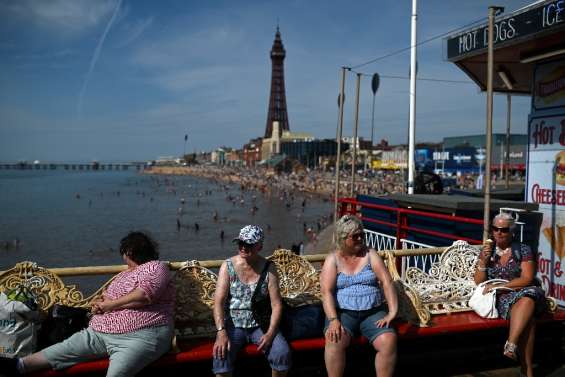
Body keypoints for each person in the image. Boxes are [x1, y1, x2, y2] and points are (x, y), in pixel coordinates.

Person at [0, 231, 175, 377]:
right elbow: (108, 298)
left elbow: (144, 295)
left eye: (124, 253)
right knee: (60, 350)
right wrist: (99, 303)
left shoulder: (155, 267)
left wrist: (110, 305)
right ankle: (18, 365)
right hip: (100, 333)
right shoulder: (124, 275)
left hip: (140, 335)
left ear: (129, 252)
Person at [320, 215, 398, 377]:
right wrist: (333, 320)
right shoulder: (333, 259)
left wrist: (392, 312)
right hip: (343, 313)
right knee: (334, 340)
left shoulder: (370, 254)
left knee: (388, 340)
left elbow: (386, 281)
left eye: (362, 234)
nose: (360, 239)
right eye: (355, 236)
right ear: (342, 239)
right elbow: (326, 292)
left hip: (373, 312)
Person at [474, 213, 547, 377]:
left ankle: (511, 344)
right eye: (495, 229)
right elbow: (479, 281)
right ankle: (526, 368)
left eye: (504, 230)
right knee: (529, 318)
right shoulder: (487, 251)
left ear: (512, 232)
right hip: (502, 298)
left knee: (528, 298)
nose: (499, 233)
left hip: (522, 289)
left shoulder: (523, 249)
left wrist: (501, 285)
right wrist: (484, 262)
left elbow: (527, 279)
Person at [212, 225, 291, 377]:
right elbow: (219, 302)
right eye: (240, 243)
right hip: (233, 324)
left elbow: (276, 304)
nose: (243, 247)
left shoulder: (269, 268)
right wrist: (221, 332)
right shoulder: (227, 266)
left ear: (259, 246)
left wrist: (270, 333)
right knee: (220, 355)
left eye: (248, 244)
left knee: (281, 353)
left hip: (260, 322)